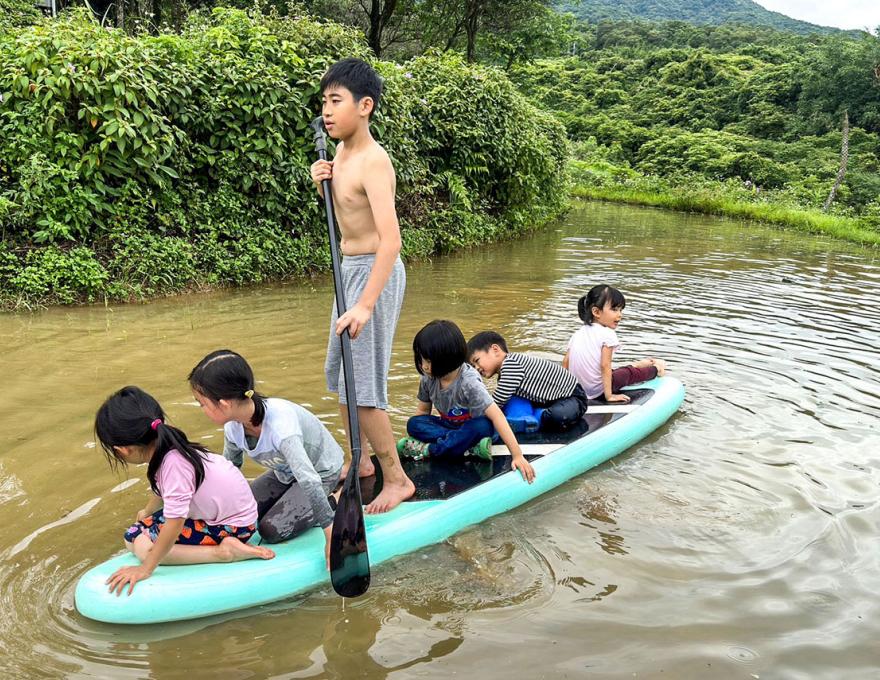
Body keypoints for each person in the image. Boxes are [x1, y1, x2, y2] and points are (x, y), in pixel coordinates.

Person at [309, 57, 414, 513]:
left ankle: (398, 480)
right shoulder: (339, 156)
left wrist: (367, 305)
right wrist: (321, 184)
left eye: (336, 101)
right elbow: (346, 214)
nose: (327, 111)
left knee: (364, 386)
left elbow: (392, 241)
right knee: (342, 378)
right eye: (324, 102)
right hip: (348, 271)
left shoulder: (374, 160)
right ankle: (361, 461)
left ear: (365, 106)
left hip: (375, 274)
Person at [95, 386, 274, 596]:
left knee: (137, 540)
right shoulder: (170, 445)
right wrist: (147, 512)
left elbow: (175, 522)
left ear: (123, 449)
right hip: (238, 517)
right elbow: (165, 491)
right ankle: (220, 546)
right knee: (140, 529)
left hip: (232, 527)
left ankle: (223, 552)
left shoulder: (173, 466)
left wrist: (146, 568)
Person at [189, 350, 343, 567]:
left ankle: (335, 498)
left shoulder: (281, 427)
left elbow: (309, 479)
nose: (202, 409)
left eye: (202, 403)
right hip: (284, 472)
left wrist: (331, 534)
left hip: (320, 473)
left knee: (272, 529)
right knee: (244, 514)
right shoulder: (233, 427)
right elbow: (229, 473)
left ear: (224, 404)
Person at [397, 320, 535, 483]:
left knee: (481, 425)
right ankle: (467, 448)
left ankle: (432, 450)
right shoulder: (428, 379)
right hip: (450, 427)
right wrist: (417, 433)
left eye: (428, 360)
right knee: (414, 423)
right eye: (421, 359)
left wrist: (517, 456)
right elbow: (422, 412)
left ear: (446, 358)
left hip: (475, 428)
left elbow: (497, 415)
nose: (424, 366)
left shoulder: (468, 382)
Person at [563, 284, 666, 403]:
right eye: (614, 309)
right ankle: (656, 369)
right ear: (596, 312)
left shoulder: (578, 333)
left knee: (617, 373)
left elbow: (566, 362)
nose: (619, 314)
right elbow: (605, 365)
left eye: (620, 310)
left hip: (580, 390)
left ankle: (638, 364)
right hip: (598, 391)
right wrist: (609, 396)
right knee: (628, 374)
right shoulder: (607, 333)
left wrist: (564, 390)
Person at [467, 331, 588, 432]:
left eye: (477, 360)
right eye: (473, 366)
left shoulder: (511, 364)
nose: (476, 368)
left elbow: (497, 401)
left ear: (495, 350)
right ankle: (526, 416)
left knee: (557, 416)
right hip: (547, 399)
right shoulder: (506, 372)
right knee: (512, 400)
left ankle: (536, 417)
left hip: (572, 397)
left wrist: (477, 415)